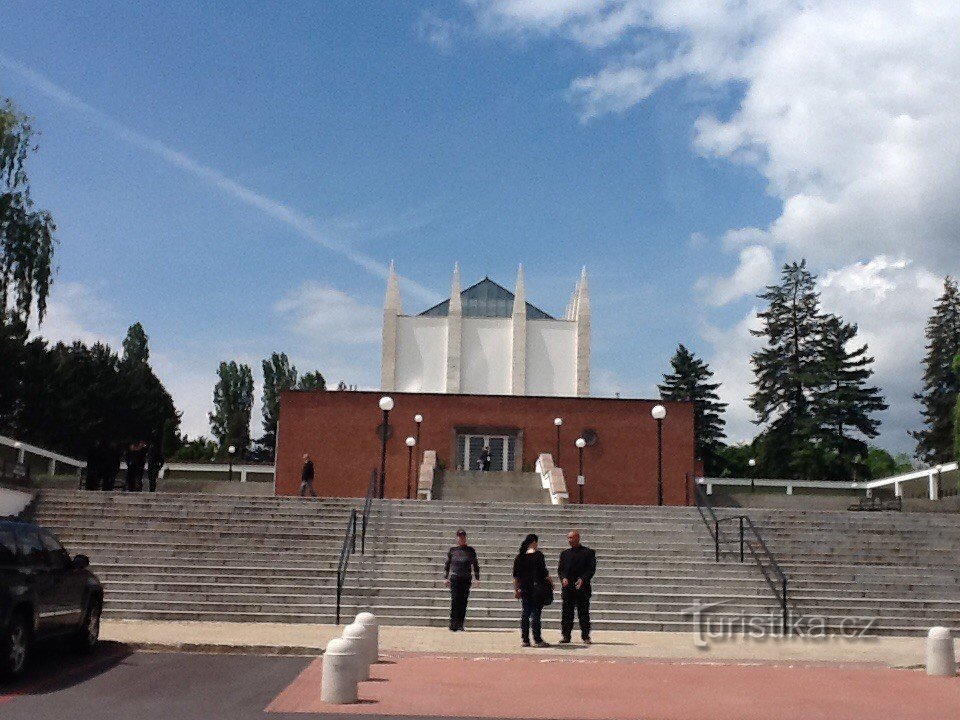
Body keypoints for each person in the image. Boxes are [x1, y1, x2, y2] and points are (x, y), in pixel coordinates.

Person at [512, 533, 552, 648]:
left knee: (525, 613)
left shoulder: (519, 557)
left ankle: (525, 639)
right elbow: (544, 572)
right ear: (534, 542)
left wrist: (516, 590)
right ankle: (538, 639)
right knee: (536, 614)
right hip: (537, 588)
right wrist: (552, 583)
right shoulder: (538, 555)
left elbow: (516, 577)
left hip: (525, 588)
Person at [558, 530, 596, 645]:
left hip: (582, 588)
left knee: (583, 613)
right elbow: (560, 569)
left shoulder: (588, 552)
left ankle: (586, 636)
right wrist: (563, 578)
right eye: (568, 538)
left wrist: (583, 579)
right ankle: (566, 636)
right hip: (568, 588)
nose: (570, 540)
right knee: (567, 613)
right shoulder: (565, 554)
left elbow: (591, 569)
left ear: (578, 538)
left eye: (572, 538)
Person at [443, 529, 480, 631]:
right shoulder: (452, 550)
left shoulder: (470, 551)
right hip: (455, 578)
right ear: (457, 538)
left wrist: (477, 578)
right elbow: (447, 564)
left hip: (466, 578)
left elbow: (475, 565)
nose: (461, 539)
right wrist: (445, 577)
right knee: (455, 601)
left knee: (463, 602)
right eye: (459, 537)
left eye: (463, 537)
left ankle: (460, 624)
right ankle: (453, 623)